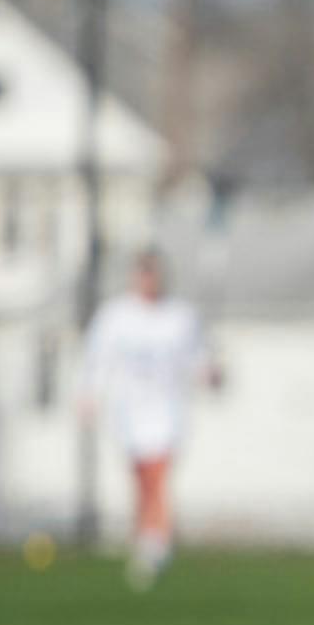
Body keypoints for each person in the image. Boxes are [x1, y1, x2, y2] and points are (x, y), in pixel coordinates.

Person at [82, 248, 221, 590]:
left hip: (168, 408)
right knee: (141, 476)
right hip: (129, 410)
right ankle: (146, 538)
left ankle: (157, 543)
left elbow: (198, 356)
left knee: (158, 474)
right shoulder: (116, 316)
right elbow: (97, 359)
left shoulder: (180, 316)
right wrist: (89, 394)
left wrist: (209, 373)